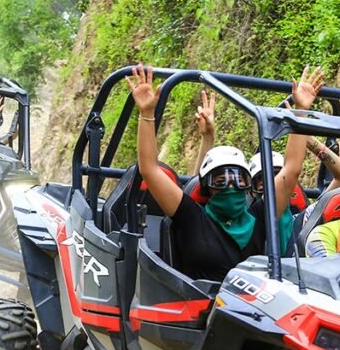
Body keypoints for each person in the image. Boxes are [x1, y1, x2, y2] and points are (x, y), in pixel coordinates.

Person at [128, 63, 324, 281]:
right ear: (207, 187)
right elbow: (149, 169)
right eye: (221, 180)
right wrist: (147, 114)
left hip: (248, 309)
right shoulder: (191, 216)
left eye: (238, 179)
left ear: (248, 185)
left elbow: (291, 170)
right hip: (197, 307)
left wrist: (300, 112)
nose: (231, 185)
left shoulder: (260, 216)